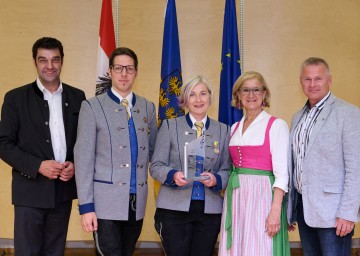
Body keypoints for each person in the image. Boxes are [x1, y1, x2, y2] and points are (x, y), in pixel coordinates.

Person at [0, 37, 86, 256]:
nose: (50, 66)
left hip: (63, 192)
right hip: (29, 192)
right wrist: (38, 165)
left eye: (55, 60)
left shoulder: (78, 97)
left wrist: (74, 165)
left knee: (55, 252)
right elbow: (4, 144)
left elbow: (84, 142)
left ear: (62, 61)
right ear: (35, 62)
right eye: (43, 60)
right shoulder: (15, 98)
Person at [74, 47, 158, 256]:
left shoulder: (147, 107)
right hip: (104, 205)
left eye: (129, 69)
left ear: (136, 73)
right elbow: (83, 160)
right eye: (118, 68)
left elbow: (156, 153)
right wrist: (86, 207)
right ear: (110, 71)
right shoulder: (92, 107)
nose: (123, 74)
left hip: (136, 204)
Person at [286, 57, 360, 255]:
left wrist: (348, 213)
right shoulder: (297, 117)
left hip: (334, 214)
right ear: (301, 82)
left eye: (318, 78)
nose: (312, 84)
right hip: (304, 210)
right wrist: (290, 209)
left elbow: (356, 168)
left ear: (329, 80)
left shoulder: (348, 113)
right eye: (307, 79)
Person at [150, 75, 231, 256]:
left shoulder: (224, 130)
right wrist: (172, 176)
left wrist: (217, 179)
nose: (198, 99)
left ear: (210, 97)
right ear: (185, 99)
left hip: (209, 211)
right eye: (192, 94)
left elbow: (227, 169)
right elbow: (155, 166)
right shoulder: (170, 127)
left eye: (203, 94)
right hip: (173, 210)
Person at [218, 71, 290, 256]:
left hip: (262, 197)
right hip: (236, 197)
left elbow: (282, 174)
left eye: (256, 90)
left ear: (264, 93)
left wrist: (275, 210)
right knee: (238, 246)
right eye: (246, 90)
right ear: (238, 96)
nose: (251, 95)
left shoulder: (276, 125)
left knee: (259, 247)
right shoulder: (234, 128)